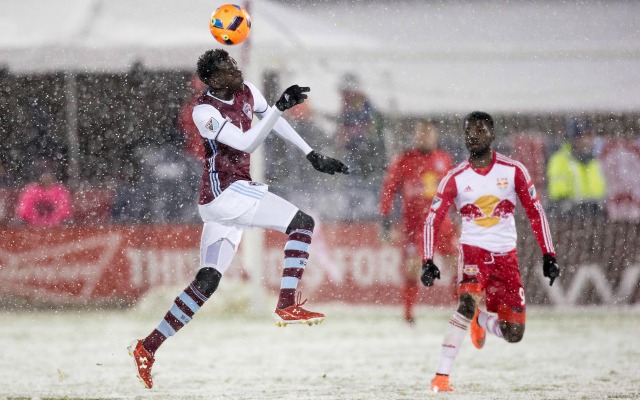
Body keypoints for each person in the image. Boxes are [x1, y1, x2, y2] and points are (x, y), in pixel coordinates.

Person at [128, 49, 349, 389]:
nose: (235, 68)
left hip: (225, 200)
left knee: (207, 281)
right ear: (213, 79)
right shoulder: (204, 111)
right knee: (302, 224)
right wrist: (278, 106)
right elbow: (247, 143)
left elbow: (275, 123)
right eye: (227, 68)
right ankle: (287, 304)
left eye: (233, 62)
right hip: (226, 194)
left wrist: (310, 153)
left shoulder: (246, 91)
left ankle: (148, 347)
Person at [420, 112, 560, 392]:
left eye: (481, 130)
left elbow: (535, 212)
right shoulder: (455, 177)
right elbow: (433, 218)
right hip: (473, 252)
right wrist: (427, 259)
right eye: (469, 131)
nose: (474, 135)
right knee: (466, 302)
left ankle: (481, 319)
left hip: (507, 257)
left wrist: (549, 254)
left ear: (492, 135)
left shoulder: (513, 170)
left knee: (514, 334)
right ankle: (441, 376)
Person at [379, 119, 456, 324]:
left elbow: (454, 191)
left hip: (442, 223)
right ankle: (408, 314)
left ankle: (465, 310)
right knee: (413, 267)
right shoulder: (404, 160)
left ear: (435, 136)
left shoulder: (444, 159)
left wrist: (464, 214)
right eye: (421, 133)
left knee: (457, 265)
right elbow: (389, 189)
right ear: (415, 136)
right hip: (415, 225)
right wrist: (385, 218)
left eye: (429, 134)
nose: (425, 137)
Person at [546, 121, 607, 218]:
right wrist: (577, 206)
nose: (588, 140)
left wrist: (595, 206)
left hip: (593, 217)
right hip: (569, 218)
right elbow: (558, 194)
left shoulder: (594, 161)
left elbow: (599, 191)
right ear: (574, 139)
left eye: (590, 136)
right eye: (584, 136)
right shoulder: (560, 160)